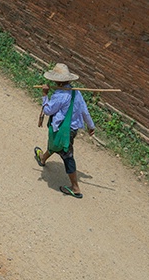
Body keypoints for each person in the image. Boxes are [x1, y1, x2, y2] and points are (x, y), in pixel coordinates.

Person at [34, 62, 95, 199]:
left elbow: (48, 110)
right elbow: (85, 111)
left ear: (57, 81)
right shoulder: (76, 93)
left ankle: (75, 188)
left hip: (62, 129)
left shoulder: (59, 96)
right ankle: (43, 159)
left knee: (67, 155)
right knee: (57, 144)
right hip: (71, 129)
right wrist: (91, 126)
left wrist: (45, 95)